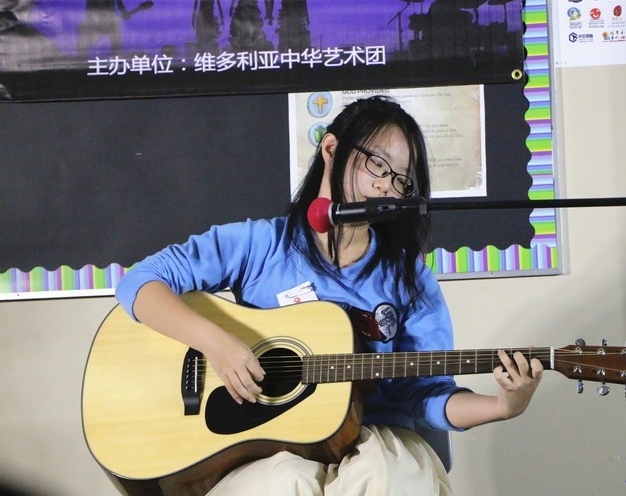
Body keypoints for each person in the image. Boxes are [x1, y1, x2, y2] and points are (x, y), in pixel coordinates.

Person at [114, 95, 543, 495]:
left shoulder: (409, 278)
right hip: (271, 442)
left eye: (401, 179)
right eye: (378, 164)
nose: (386, 186)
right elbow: (141, 282)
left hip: (375, 439)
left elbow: (427, 394)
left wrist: (503, 405)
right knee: (283, 483)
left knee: (387, 474)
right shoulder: (260, 245)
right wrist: (216, 344)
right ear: (332, 149)